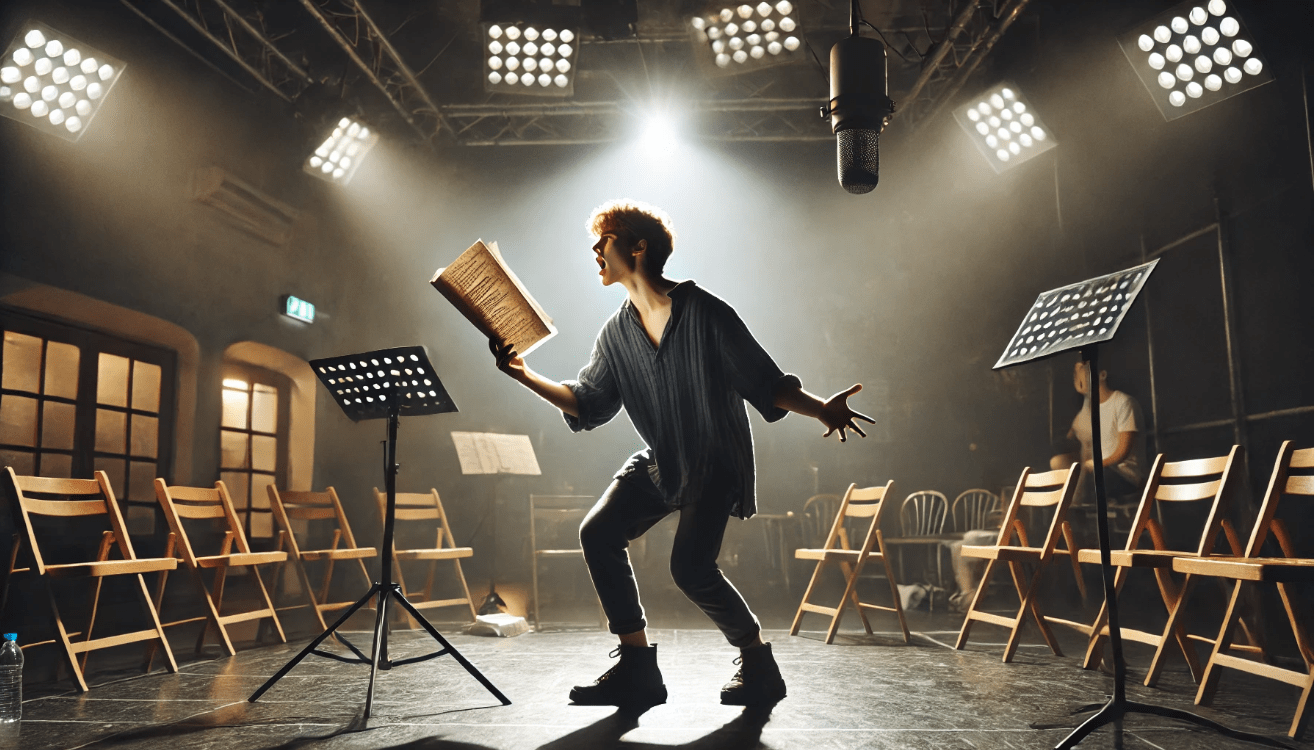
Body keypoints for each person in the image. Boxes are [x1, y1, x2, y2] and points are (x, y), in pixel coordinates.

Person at [489, 199, 873, 708]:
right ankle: (636, 668)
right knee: (599, 533)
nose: (595, 252)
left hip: (715, 460)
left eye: (602, 242)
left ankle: (759, 664)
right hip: (663, 459)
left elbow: (765, 383)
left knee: (691, 569)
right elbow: (588, 402)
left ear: (638, 246)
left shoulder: (706, 312)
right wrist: (522, 374)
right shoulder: (615, 332)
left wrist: (822, 407)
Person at [1050, 359, 1146, 506]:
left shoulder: (1123, 403)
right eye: (1076, 372)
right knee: (1058, 462)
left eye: (1083, 368)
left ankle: (1070, 509)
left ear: (1102, 375)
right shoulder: (1088, 411)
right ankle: (1069, 509)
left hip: (1124, 475)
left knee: (1089, 474)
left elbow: (1123, 451)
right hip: (1096, 470)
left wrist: (1093, 465)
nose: (1077, 374)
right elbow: (1073, 439)